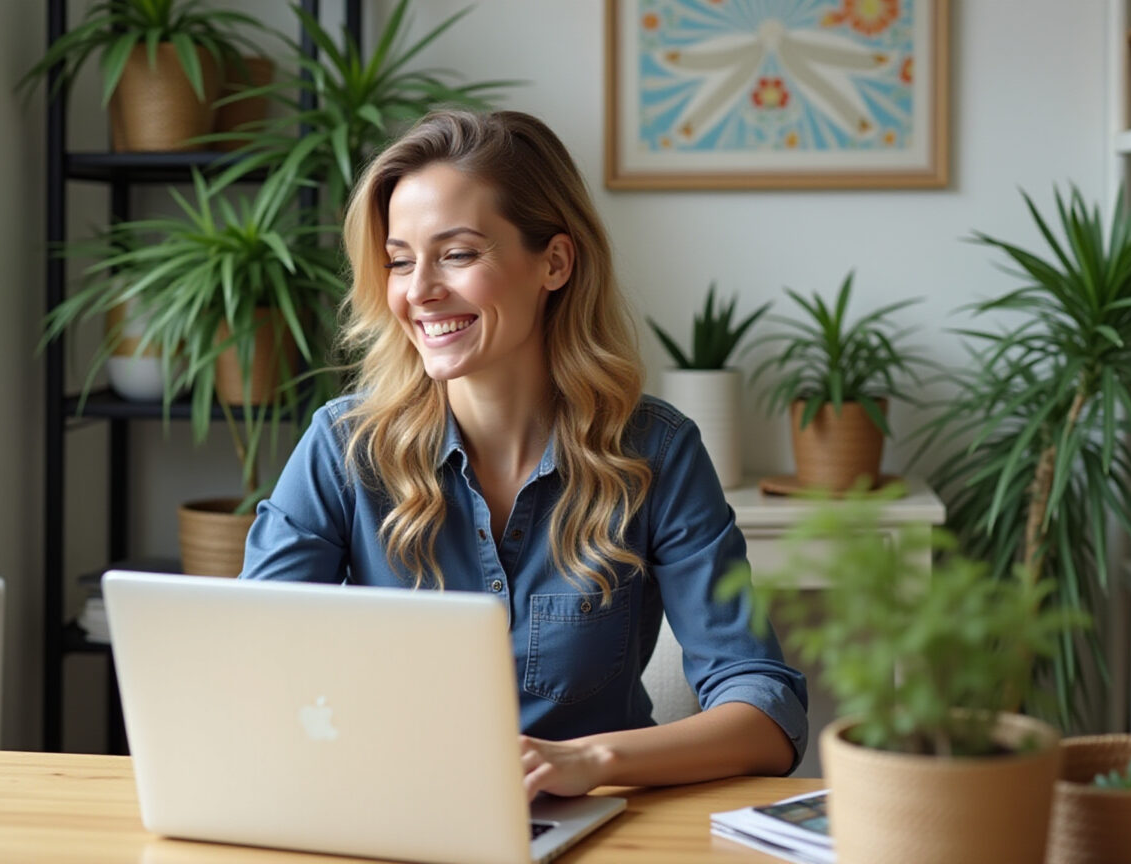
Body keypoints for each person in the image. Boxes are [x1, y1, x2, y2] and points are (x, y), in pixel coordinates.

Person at [240, 110, 808, 799]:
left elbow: (767, 712)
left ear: (555, 263)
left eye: (457, 254)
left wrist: (591, 763)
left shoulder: (657, 452)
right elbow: (254, 669)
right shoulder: (342, 449)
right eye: (398, 260)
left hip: (589, 827)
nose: (418, 290)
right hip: (388, 814)